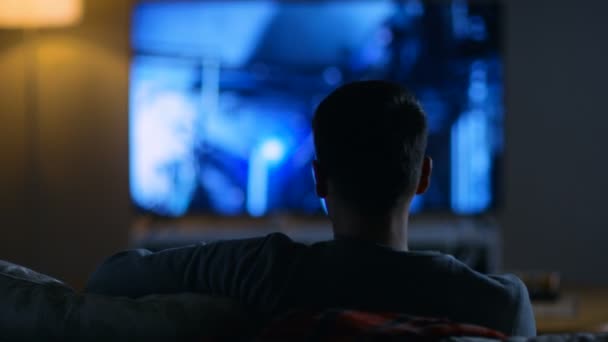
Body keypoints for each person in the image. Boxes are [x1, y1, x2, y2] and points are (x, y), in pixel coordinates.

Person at [85, 80, 536, 336]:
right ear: (424, 176)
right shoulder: (501, 304)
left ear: (318, 178)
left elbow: (109, 278)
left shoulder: (259, 270)